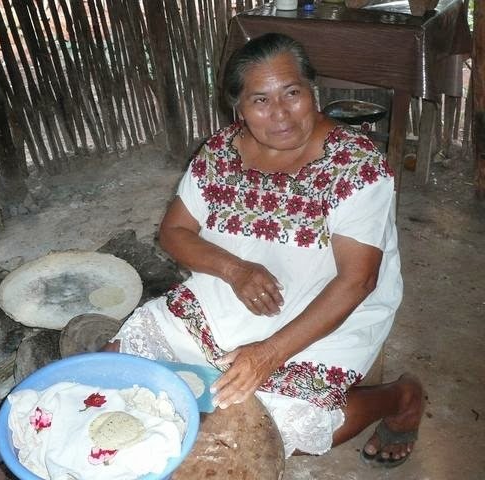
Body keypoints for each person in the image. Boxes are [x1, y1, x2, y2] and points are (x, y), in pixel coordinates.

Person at [103, 32, 423, 466]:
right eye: (260, 100)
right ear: (237, 107)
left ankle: (400, 398)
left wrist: (268, 355)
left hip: (326, 306)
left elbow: (358, 279)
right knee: (119, 365)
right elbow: (174, 231)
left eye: (292, 93)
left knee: (277, 428)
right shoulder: (220, 152)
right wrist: (235, 270)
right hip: (227, 294)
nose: (281, 114)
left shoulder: (354, 166)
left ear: (313, 90)